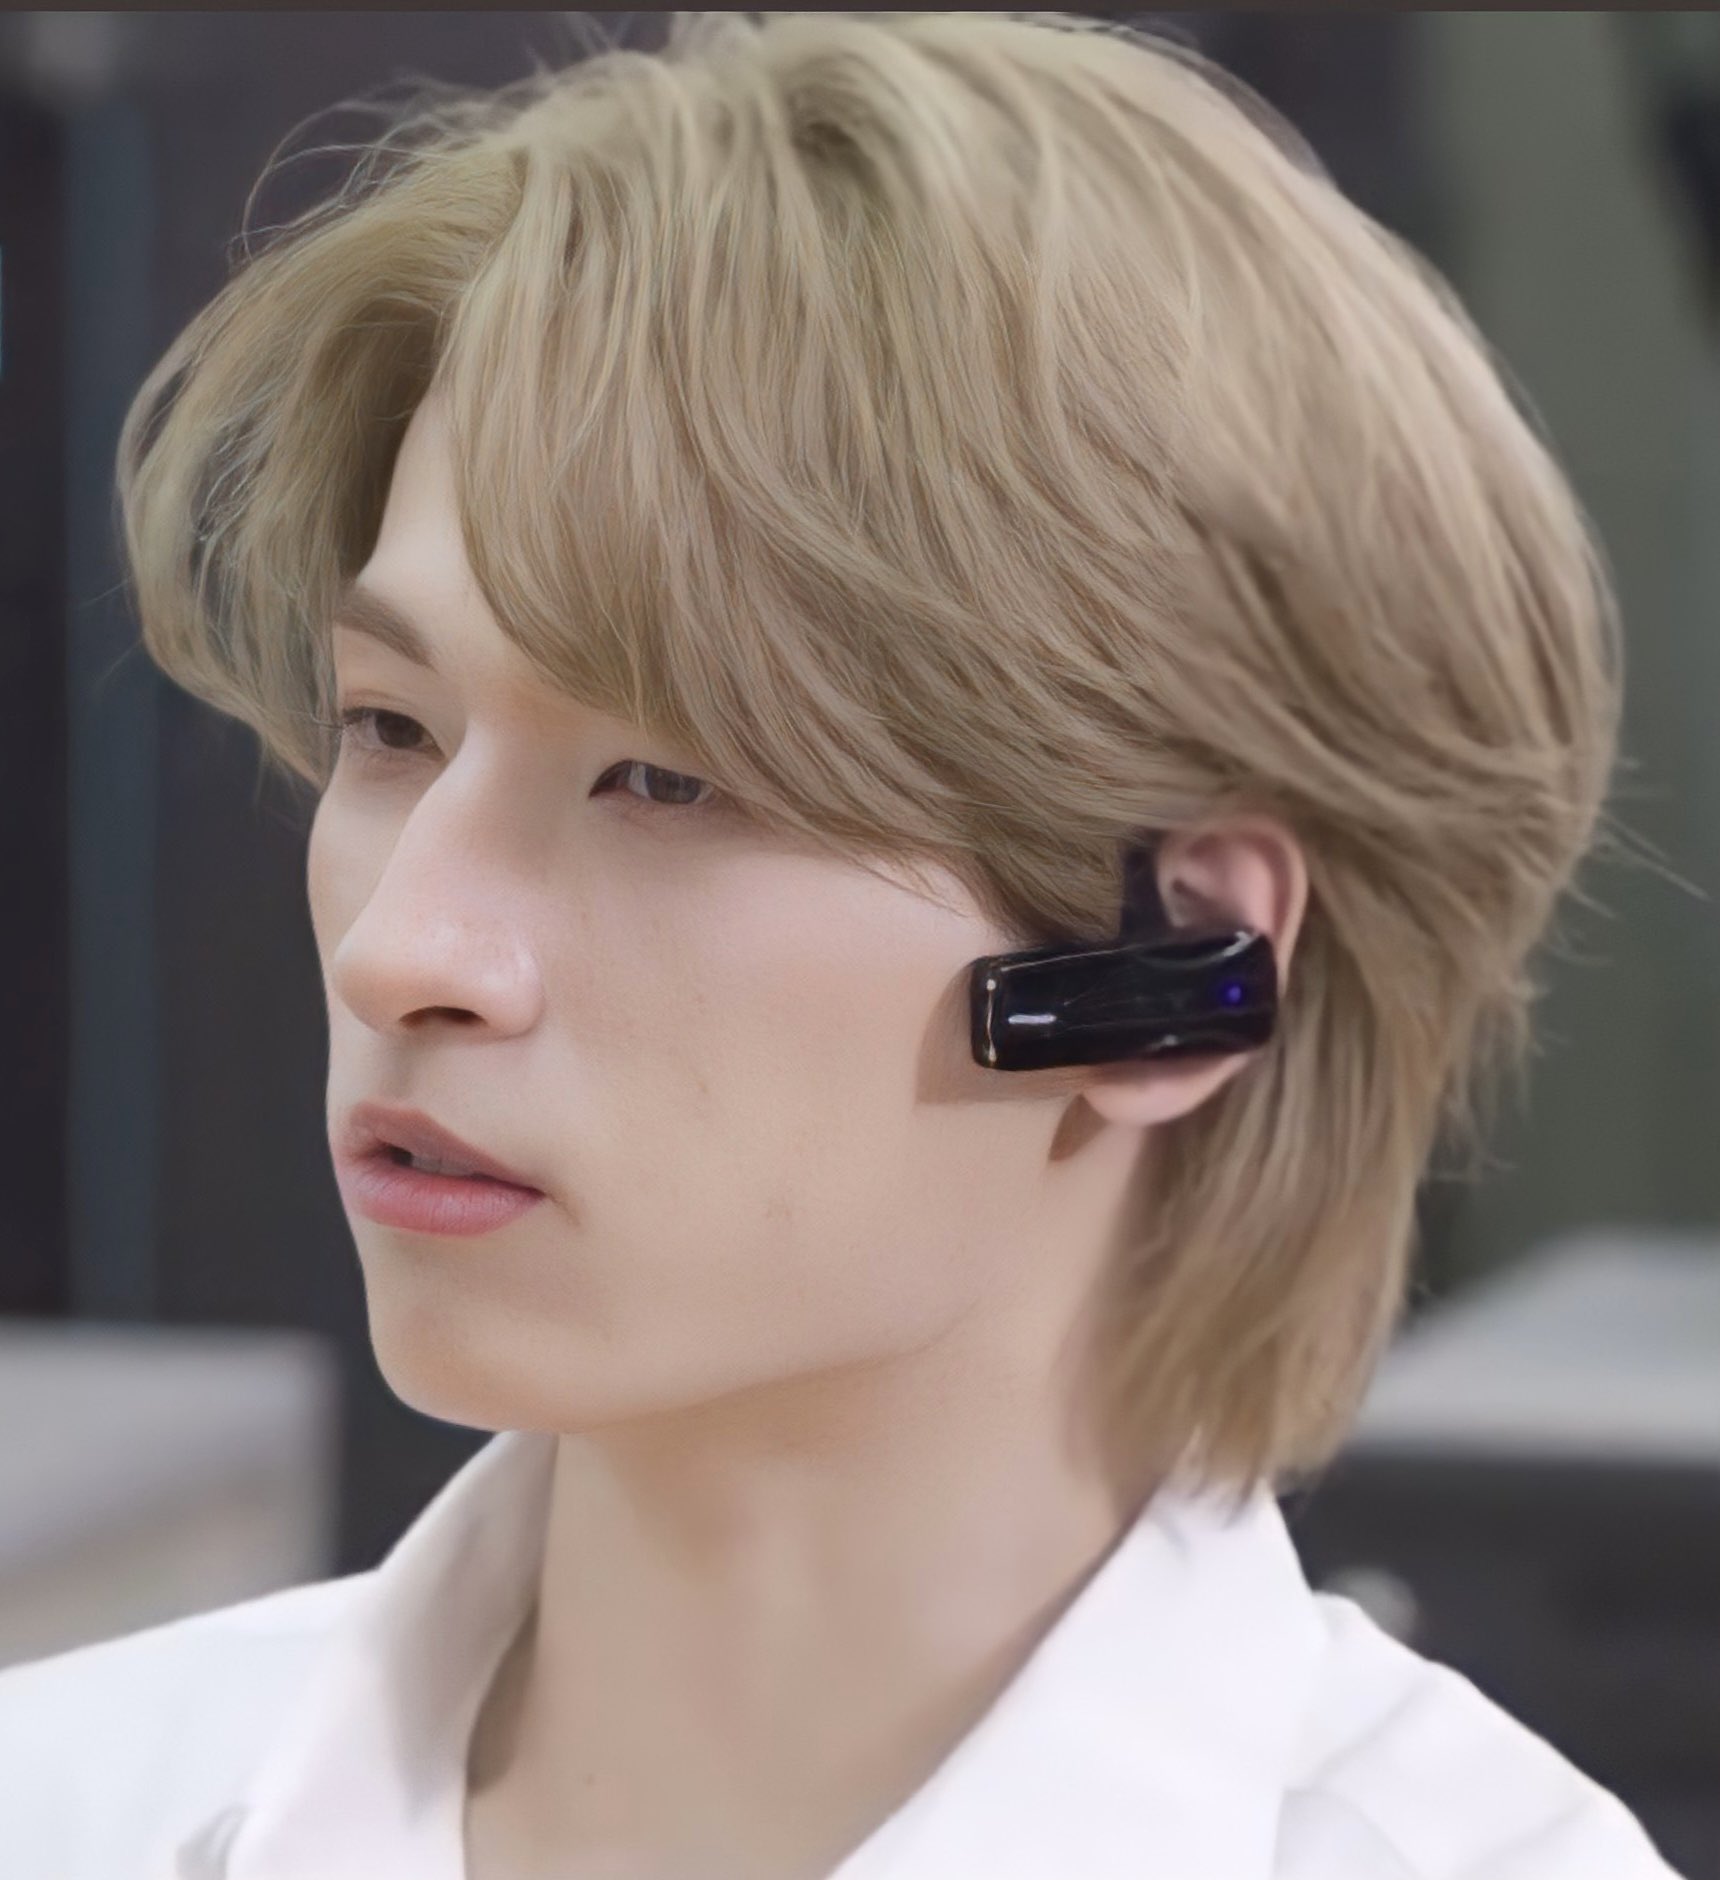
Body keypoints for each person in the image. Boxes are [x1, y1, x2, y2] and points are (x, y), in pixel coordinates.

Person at [0, 10, 1686, 1878]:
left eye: (665, 781)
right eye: (391, 728)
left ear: (1177, 968)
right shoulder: (64, 1807)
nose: (407, 950)